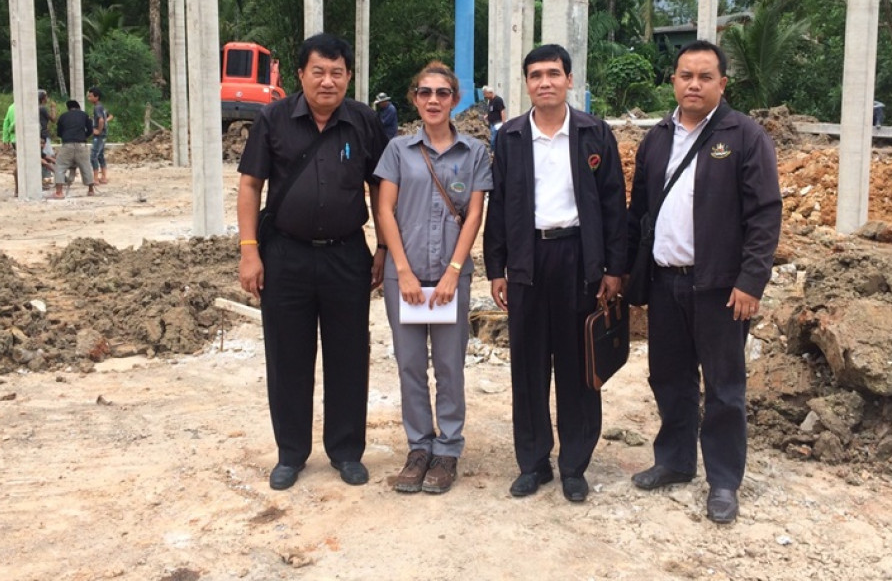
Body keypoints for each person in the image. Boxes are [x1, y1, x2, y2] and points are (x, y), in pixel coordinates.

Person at [626, 40, 782, 524]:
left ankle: (724, 481)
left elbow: (765, 214)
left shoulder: (745, 135)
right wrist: (628, 275)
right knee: (669, 378)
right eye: (685, 75)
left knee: (723, 387)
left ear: (722, 83)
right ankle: (674, 461)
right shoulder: (657, 138)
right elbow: (639, 212)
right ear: (673, 80)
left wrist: (751, 281)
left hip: (720, 288)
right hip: (665, 282)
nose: (694, 84)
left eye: (704, 77)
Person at [236, 33, 389, 491]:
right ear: (300, 74)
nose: (327, 81)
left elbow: (381, 188)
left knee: (349, 354)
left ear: (348, 76)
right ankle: (291, 453)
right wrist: (249, 251)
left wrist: (383, 246)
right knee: (288, 355)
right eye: (318, 71)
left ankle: (346, 451)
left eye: (337, 73)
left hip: (346, 254)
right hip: (285, 255)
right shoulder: (273, 119)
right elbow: (250, 186)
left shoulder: (363, 121)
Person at [483, 43, 627, 503]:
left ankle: (574, 465)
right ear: (526, 83)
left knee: (577, 364)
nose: (545, 82)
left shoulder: (593, 133)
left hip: (579, 259)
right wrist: (496, 268)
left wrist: (614, 269)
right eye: (536, 75)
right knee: (528, 365)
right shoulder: (509, 136)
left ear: (569, 79)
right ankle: (533, 462)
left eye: (553, 73)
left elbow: (613, 204)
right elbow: (499, 206)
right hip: (528, 261)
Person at [374, 62, 493, 495]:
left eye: (442, 93)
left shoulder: (474, 152)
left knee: (449, 365)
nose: (433, 100)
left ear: (455, 100)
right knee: (409, 364)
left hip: (450, 277)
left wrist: (453, 273)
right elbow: (385, 209)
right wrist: (402, 271)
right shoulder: (398, 150)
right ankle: (419, 447)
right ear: (414, 99)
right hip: (404, 279)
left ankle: (448, 449)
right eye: (425, 92)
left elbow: (474, 214)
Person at [53, 100, 97, 198]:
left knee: (60, 167)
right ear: (78, 107)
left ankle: (59, 192)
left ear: (68, 108)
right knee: (86, 166)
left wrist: (66, 136)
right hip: (81, 144)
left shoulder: (63, 116)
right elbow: (90, 130)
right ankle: (91, 190)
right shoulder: (84, 115)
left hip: (67, 145)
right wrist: (83, 136)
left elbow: (59, 132)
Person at [87, 86, 112, 185]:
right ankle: (104, 177)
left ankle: (95, 178)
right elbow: (108, 117)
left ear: (96, 97)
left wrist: (98, 130)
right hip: (104, 134)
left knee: (93, 156)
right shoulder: (101, 106)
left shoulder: (97, 107)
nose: (89, 98)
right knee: (100, 155)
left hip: (99, 136)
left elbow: (101, 120)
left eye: (90, 96)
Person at [482, 85, 506, 153]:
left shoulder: (498, 100)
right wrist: (487, 116)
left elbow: (502, 111)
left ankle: (494, 152)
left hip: (497, 124)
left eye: (486, 94)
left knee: (494, 139)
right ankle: (494, 152)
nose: (485, 96)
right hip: (492, 123)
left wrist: (503, 123)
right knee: (493, 138)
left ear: (491, 93)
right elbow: (492, 111)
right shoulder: (490, 101)